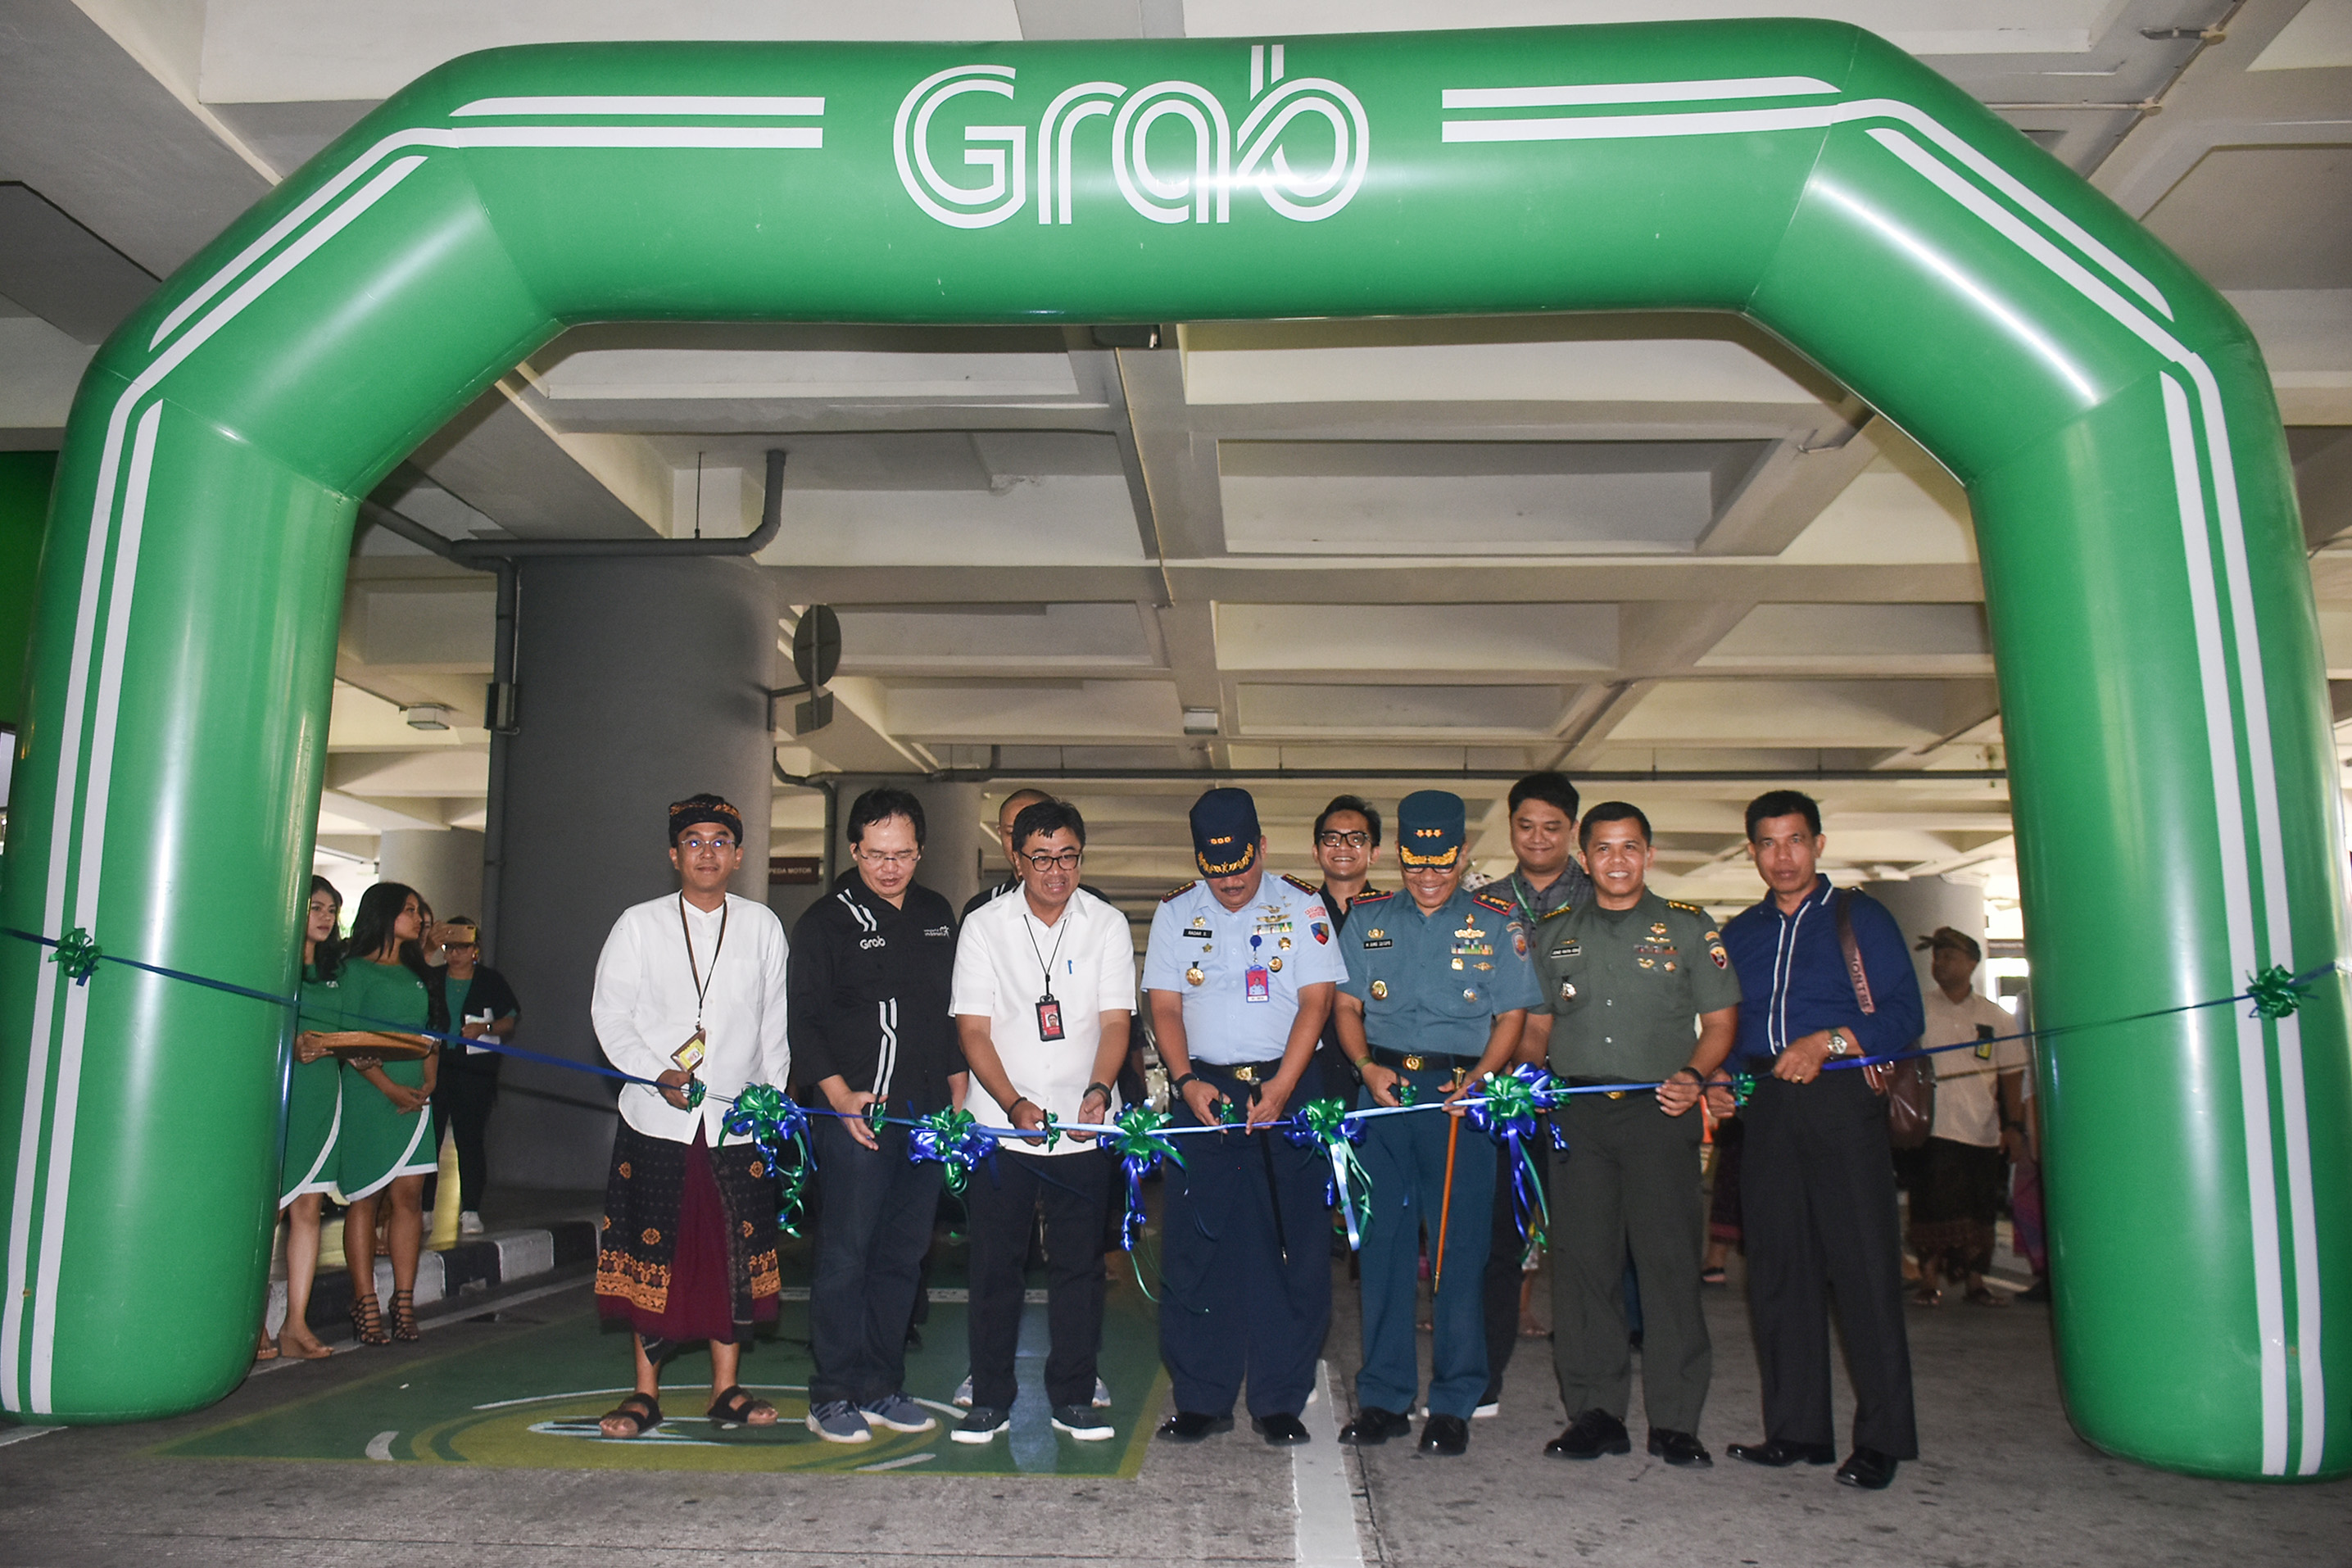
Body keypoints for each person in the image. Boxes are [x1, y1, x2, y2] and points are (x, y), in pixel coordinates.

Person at [1716, 789, 1923, 1491]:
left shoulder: (1859, 917)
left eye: (1795, 840)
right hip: (1767, 1109)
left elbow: (1903, 1013)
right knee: (1777, 1272)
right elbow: (1726, 1022)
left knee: (1863, 1270)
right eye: (1768, 843)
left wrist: (1829, 1040)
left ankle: (1882, 1439)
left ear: (1819, 844)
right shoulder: (1739, 932)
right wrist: (1717, 1074)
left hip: (1840, 1100)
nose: (1783, 856)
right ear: (1751, 851)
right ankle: (1796, 1431)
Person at [1522, 802, 1739, 1468]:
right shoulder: (1552, 932)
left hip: (1659, 1112)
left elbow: (1721, 1021)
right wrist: (1532, 1075)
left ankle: (1675, 1421)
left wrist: (1694, 1075)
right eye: (1604, 849)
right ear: (1583, 859)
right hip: (1577, 1117)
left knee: (1668, 1265)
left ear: (1648, 854)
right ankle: (1595, 1413)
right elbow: (1536, 1023)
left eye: (1630, 848)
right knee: (1584, 1267)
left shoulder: (1687, 928)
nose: (1617, 861)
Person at [1333, 791, 1539, 1457]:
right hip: (1385, 1096)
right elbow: (1345, 1006)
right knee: (1385, 1250)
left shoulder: (1496, 920)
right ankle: (1384, 1398)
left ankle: (1453, 1400)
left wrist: (1482, 1075)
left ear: (1463, 856)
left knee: (1459, 1255)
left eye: (1441, 865)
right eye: (1416, 864)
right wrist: (1365, 1068)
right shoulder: (1367, 919)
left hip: (1459, 1099)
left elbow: (1512, 1014)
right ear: (1399, 855)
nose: (1427, 877)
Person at [1144, 786, 1347, 1446]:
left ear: (1260, 847)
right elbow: (1166, 1007)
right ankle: (1201, 1397)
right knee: (1197, 1248)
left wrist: (1285, 1085)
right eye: (1216, 873)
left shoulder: (1301, 904)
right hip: (1202, 1092)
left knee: (1293, 1248)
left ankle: (1279, 1399)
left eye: (1240, 870)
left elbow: (1316, 1003)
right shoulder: (1176, 912)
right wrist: (1183, 1081)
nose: (1230, 886)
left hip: (1288, 1091)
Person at [589, 793, 792, 1439]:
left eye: (720, 841)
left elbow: (774, 1029)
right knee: (657, 1251)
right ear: (673, 854)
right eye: (694, 841)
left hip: (737, 1125)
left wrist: (770, 1103)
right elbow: (610, 1017)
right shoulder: (638, 924)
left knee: (731, 1252)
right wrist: (658, 1073)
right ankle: (644, 1394)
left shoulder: (762, 925)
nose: (707, 852)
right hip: (656, 1118)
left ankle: (724, 1389)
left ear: (737, 854)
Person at [949, 798, 1135, 1443]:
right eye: (1041, 859)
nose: (1056, 871)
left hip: (1083, 1125)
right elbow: (972, 1030)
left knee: (1078, 1268)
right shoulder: (985, 926)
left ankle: (1074, 1395)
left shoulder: (1106, 924)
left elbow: (1116, 1021)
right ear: (1017, 858)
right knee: (995, 1265)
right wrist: (1011, 1103)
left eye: (1067, 857)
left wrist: (1098, 1089)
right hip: (1003, 1126)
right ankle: (990, 1397)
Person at [790, 786, 962, 1443]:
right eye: (876, 854)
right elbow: (802, 1021)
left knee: (903, 1255)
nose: (890, 867)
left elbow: (949, 1010)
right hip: (855, 1114)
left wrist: (956, 1087)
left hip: (922, 1117)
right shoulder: (823, 923)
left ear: (920, 850)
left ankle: (881, 1384)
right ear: (854, 849)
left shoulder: (935, 913)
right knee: (846, 1256)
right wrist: (836, 1097)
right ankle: (831, 1392)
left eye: (904, 854)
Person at [1481, 772, 1593, 1413]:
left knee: (1584, 1247)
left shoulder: (1605, 897)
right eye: (1525, 826)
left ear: (1571, 830)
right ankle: (1483, 1378)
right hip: (1503, 1101)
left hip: (1582, 1096)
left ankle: (1588, 1394)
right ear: (1510, 826)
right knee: (1496, 1242)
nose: (1537, 839)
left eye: (1552, 827)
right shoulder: (1485, 905)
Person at [327, 881, 442, 1346]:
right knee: (367, 1197)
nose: (419, 919)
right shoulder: (353, 971)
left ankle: (404, 1300)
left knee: (410, 1197)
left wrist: (429, 1079)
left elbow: (427, 1033)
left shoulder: (418, 972)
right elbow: (347, 1039)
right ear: (384, 914)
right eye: (409, 911)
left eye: (419, 911)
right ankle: (365, 1299)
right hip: (370, 1092)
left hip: (416, 1093)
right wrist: (390, 1088)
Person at [1907, 927, 2027, 1308]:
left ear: (1973, 964)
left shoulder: (1996, 1018)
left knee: (1979, 1209)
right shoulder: (1919, 1011)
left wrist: (2014, 1126)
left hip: (1982, 1130)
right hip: (1932, 1128)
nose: (1941, 964)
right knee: (1930, 1205)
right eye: (1937, 957)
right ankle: (1929, 1280)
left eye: (1950, 957)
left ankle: (1976, 1282)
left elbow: (2011, 1077)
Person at [270, 875, 346, 1361]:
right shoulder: (272, 967)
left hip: (323, 1094)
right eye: (315, 907)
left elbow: (342, 1030)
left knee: (309, 1208)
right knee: (267, 1210)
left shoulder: (335, 971)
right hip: (280, 1095)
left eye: (331, 910)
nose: (324, 917)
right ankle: (249, 1323)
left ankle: (294, 1323)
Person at [428, 917, 519, 1237]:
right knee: (430, 1139)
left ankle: (469, 1209)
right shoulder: (432, 979)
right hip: (435, 1066)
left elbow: (510, 1018)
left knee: (469, 1140)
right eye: (449, 948)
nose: (456, 954)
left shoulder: (490, 981)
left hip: (474, 1072)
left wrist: (485, 1029)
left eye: (462, 948)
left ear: (475, 950)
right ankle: (426, 1208)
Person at [1310, 795, 1384, 1105]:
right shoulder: (1295, 913)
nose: (1342, 846)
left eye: (1356, 839)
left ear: (1374, 853)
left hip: (1377, 1064)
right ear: (1316, 851)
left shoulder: (1392, 915)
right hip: (1311, 1066)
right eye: (1332, 838)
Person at [960, 787, 1056, 918]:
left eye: (1031, 833)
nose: (1020, 844)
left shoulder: (1090, 903)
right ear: (1000, 833)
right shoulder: (981, 908)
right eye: (1011, 833)